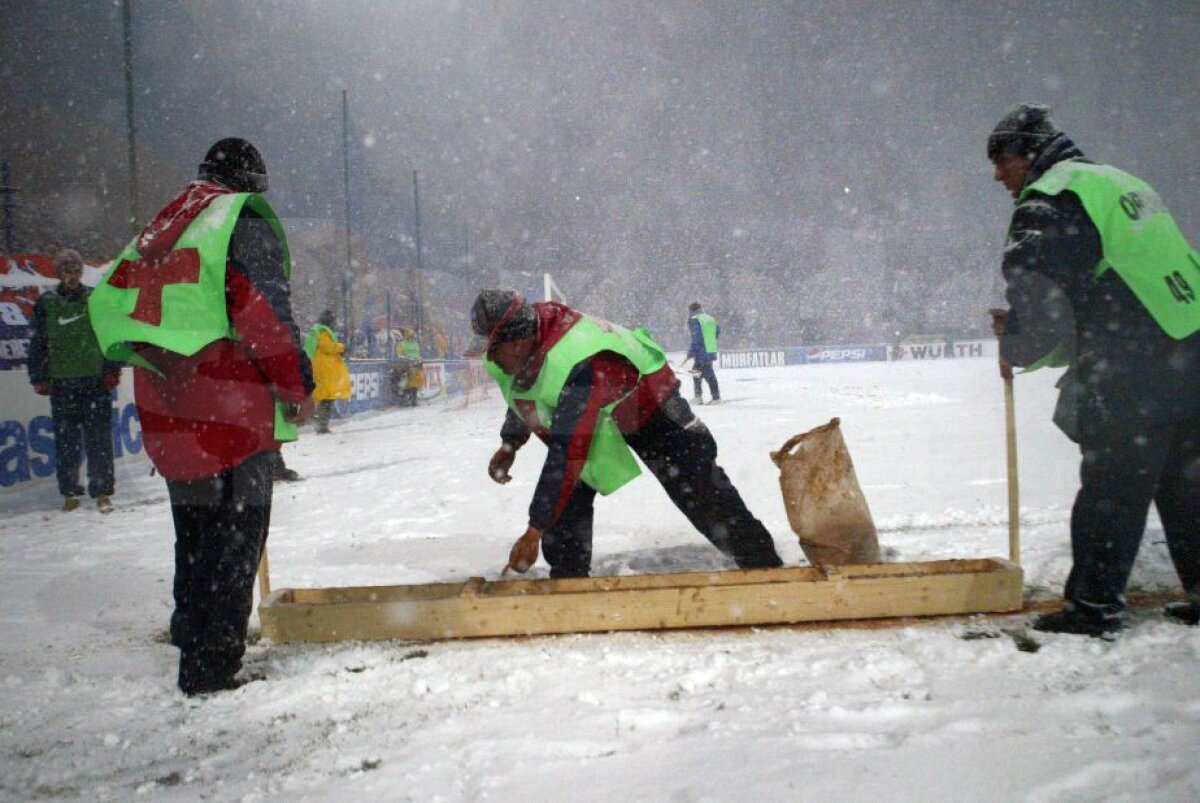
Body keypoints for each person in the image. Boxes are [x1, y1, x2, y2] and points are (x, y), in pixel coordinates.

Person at [89, 137, 315, 694]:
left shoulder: (163, 227)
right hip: (229, 409)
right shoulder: (238, 222)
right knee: (235, 536)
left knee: (193, 528)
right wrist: (296, 382)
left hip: (168, 407)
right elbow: (263, 313)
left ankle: (190, 628)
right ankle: (213, 664)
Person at [986, 104, 1200, 636]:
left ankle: (1093, 608)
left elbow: (1044, 297)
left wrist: (1017, 342)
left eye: (1002, 161)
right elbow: (1113, 282)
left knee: (1112, 488)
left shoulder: (1052, 200)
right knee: (1185, 483)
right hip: (1189, 352)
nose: (998, 175)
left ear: (1028, 157)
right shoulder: (1119, 183)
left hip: (1136, 366)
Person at [470, 289, 783, 578]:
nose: (491, 358)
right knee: (567, 497)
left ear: (519, 340)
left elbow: (568, 452)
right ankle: (568, 580)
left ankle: (764, 567)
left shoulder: (577, 359)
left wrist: (534, 531)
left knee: (699, 489)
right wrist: (511, 442)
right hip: (601, 410)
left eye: (496, 349)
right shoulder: (517, 349)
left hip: (648, 404)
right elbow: (523, 389)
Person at [27, 248, 122, 513]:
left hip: (94, 382)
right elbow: (38, 344)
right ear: (59, 274)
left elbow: (108, 335)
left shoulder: (94, 299)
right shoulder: (46, 303)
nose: (72, 276)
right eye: (67, 272)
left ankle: (102, 490)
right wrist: (39, 376)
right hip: (62, 385)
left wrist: (112, 368)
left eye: (76, 271)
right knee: (66, 442)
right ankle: (70, 491)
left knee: (99, 441)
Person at [305, 309, 351, 434]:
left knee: (323, 396)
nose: (334, 323)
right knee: (326, 397)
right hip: (324, 368)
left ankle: (319, 423)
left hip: (321, 367)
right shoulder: (323, 331)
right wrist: (342, 347)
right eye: (333, 320)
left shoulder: (316, 330)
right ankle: (321, 426)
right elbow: (328, 347)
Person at [686, 301, 720, 404]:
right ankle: (698, 397)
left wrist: (691, 351)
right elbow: (717, 331)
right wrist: (710, 342)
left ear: (691, 310)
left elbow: (697, 337)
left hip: (701, 351)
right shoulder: (710, 318)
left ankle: (716, 398)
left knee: (708, 374)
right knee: (695, 372)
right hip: (710, 349)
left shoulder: (694, 319)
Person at [393, 326, 424, 407]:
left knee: (415, 384)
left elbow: (418, 354)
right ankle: (405, 398)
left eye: (413, 335)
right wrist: (407, 360)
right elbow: (400, 355)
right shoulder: (401, 344)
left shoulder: (415, 344)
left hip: (415, 366)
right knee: (405, 383)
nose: (412, 337)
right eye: (410, 335)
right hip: (406, 366)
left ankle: (413, 399)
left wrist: (418, 360)